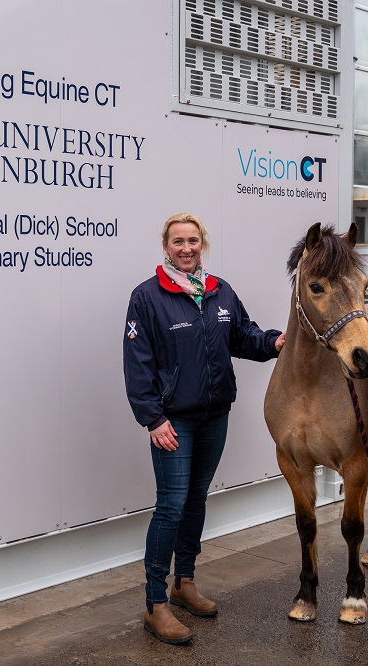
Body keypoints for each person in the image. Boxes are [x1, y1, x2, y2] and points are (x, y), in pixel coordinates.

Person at [122, 212, 285, 645]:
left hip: (216, 416)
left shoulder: (219, 291)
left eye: (193, 240)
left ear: (203, 243)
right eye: (178, 241)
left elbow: (243, 336)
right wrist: (153, 419)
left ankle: (185, 582)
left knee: (196, 500)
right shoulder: (147, 297)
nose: (187, 248)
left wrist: (273, 342)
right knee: (171, 507)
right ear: (166, 246)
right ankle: (155, 602)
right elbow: (137, 366)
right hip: (174, 421)